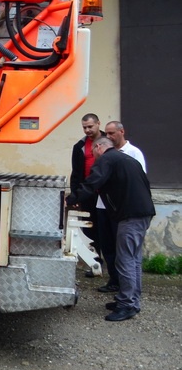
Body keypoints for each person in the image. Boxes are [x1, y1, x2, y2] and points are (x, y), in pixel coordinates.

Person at [66, 136, 155, 321]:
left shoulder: (107, 159)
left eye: (93, 152)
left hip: (130, 216)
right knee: (134, 259)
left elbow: (92, 182)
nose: (93, 156)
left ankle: (127, 305)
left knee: (125, 260)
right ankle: (131, 300)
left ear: (99, 147)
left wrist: (71, 199)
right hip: (143, 213)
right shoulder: (126, 159)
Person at [93, 120, 148, 293]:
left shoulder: (133, 153)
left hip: (122, 210)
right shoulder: (105, 155)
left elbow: (138, 181)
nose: (109, 136)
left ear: (122, 132)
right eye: (106, 134)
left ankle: (127, 291)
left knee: (124, 252)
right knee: (107, 246)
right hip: (103, 206)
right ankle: (114, 280)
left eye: (112, 133)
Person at [70, 113, 104, 276]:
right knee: (90, 230)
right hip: (88, 193)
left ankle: (114, 265)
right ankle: (96, 262)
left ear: (98, 124)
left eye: (90, 126)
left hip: (105, 193)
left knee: (106, 229)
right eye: (85, 127)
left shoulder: (108, 142)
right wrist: (76, 195)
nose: (88, 130)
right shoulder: (80, 146)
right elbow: (76, 173)